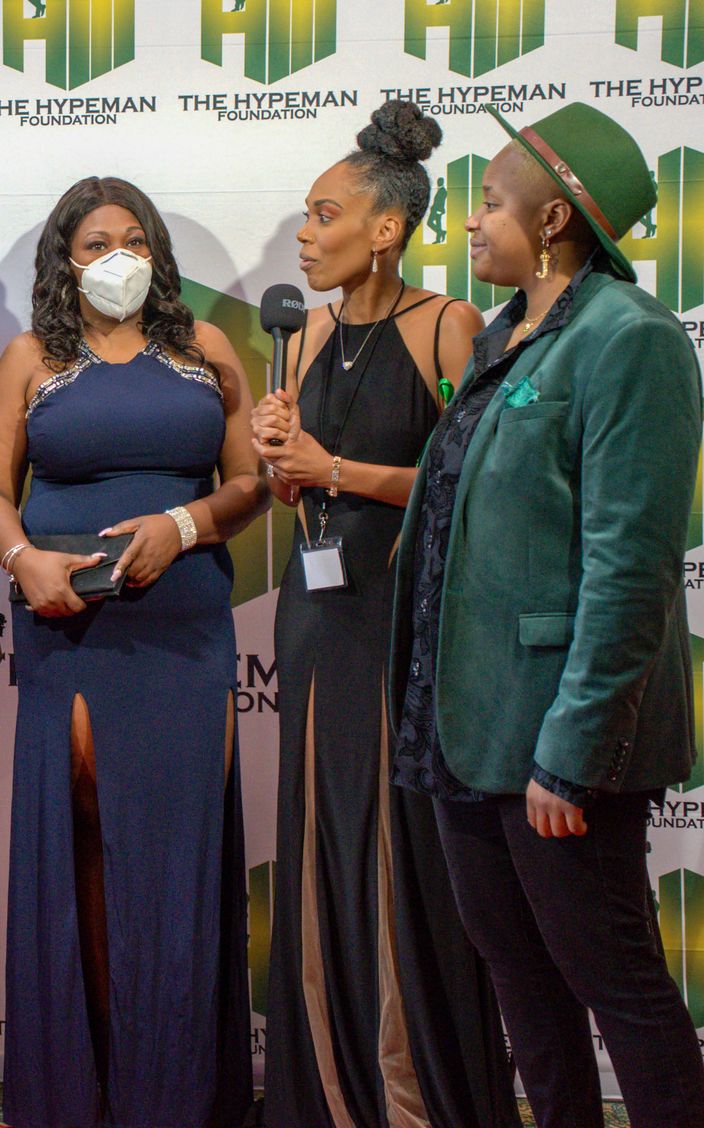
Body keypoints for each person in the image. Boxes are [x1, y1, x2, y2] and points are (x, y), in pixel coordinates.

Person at [389, 102, 704, 1128]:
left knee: (615, 979)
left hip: (556, 742)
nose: (470, 223)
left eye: (489, 202)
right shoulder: (504, 335)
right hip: (468, 726)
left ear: (555, 218)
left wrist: (570, 754)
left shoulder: (631, 339)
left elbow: (630, 567)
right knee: (520, 981)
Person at [0, 175, 268, 1127]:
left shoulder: (205, 348)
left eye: (133, 240)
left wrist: (183, 526)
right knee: (87, 853)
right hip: (70, 627)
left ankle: (173, 1096)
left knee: (179, 863)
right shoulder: (30, 357)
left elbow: (250, 483)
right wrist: (22, 562)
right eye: (96, 243)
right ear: (65, 259)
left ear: (158, 254)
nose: (117, 258)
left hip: (184, 628)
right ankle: (89, 1096)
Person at [250, 101, 519, 1128]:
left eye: (324, 215)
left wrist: (334, 468)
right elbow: (293, 491)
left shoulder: (448, 326)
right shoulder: (307, 332)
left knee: (399, 850)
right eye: (305, 214)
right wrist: (281, 462)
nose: (304, 234)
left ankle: (415, 1097)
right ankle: (327, 1091)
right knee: (320, 834)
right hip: (315, 616)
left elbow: (470, 483)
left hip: (400, 620)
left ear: (387, 229)